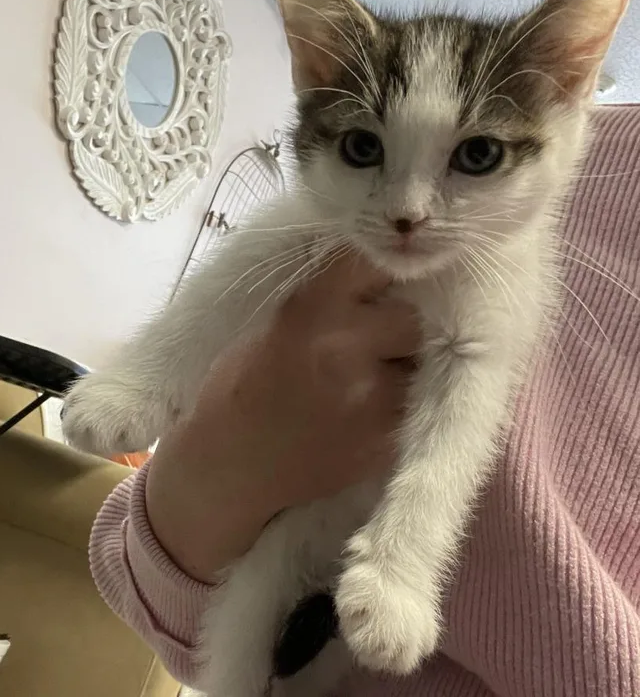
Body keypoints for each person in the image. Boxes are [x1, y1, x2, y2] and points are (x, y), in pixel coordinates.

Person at [88, 106, 640, 696]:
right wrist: (176, 406)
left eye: (475, 156)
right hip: (248, 558)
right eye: (363, 149)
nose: (408, 212)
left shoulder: (527, 215)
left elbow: (465, 405)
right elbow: (246, 270)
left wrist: (399, 566)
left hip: (347, 584)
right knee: (257, 598)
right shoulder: (587, 143)